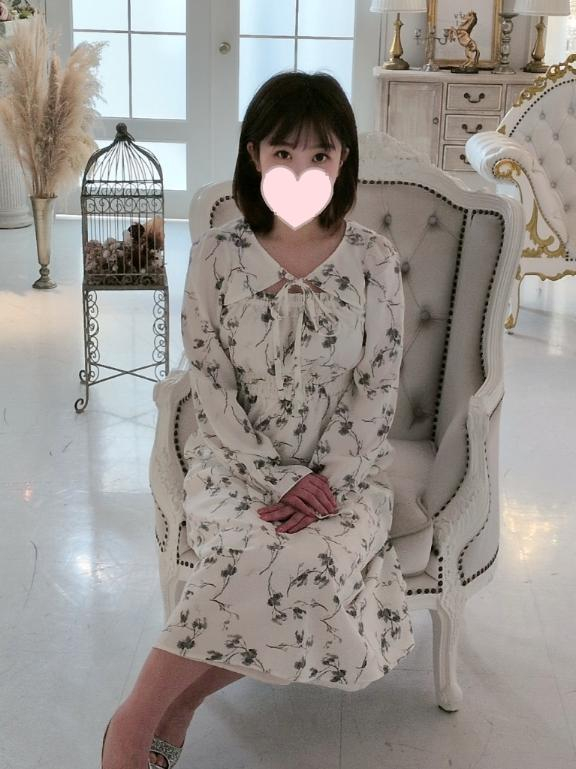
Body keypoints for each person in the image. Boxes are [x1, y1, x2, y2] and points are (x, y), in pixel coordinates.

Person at [101, 71, 415, 769]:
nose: (301, 169)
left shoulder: (373, 258)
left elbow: (378, 384)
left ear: (344, 159)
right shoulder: (217, 254)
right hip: (236, 467)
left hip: (344, 480)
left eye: (320, 154)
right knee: (252, 554)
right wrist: (277, 478)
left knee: (312, 563)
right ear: (254, 155)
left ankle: (155, 713)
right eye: (283, 152)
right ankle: (136, 726)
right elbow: (209, 383)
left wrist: (322, 481)